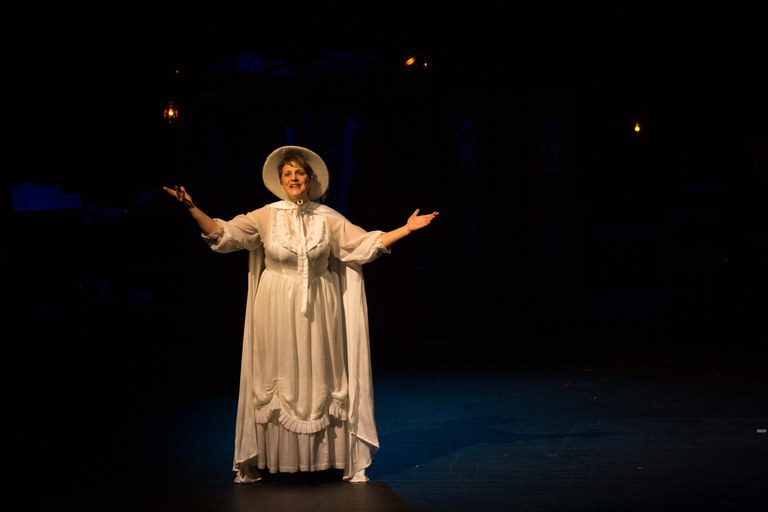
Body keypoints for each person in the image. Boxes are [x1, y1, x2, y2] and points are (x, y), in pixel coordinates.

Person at [163, 145, 438, 484]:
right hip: (276, 304)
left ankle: (326, 458)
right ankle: (276, 458)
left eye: (299, 173)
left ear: (310, 179)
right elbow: (225, 235)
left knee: (320, 372)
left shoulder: (327, 217)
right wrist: (192, 208)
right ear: (280, 181)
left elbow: (364, 245)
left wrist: (406, 229)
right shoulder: (265, 215)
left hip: (320, 305)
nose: (294, 178)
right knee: (281, 373)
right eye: (288, 174)